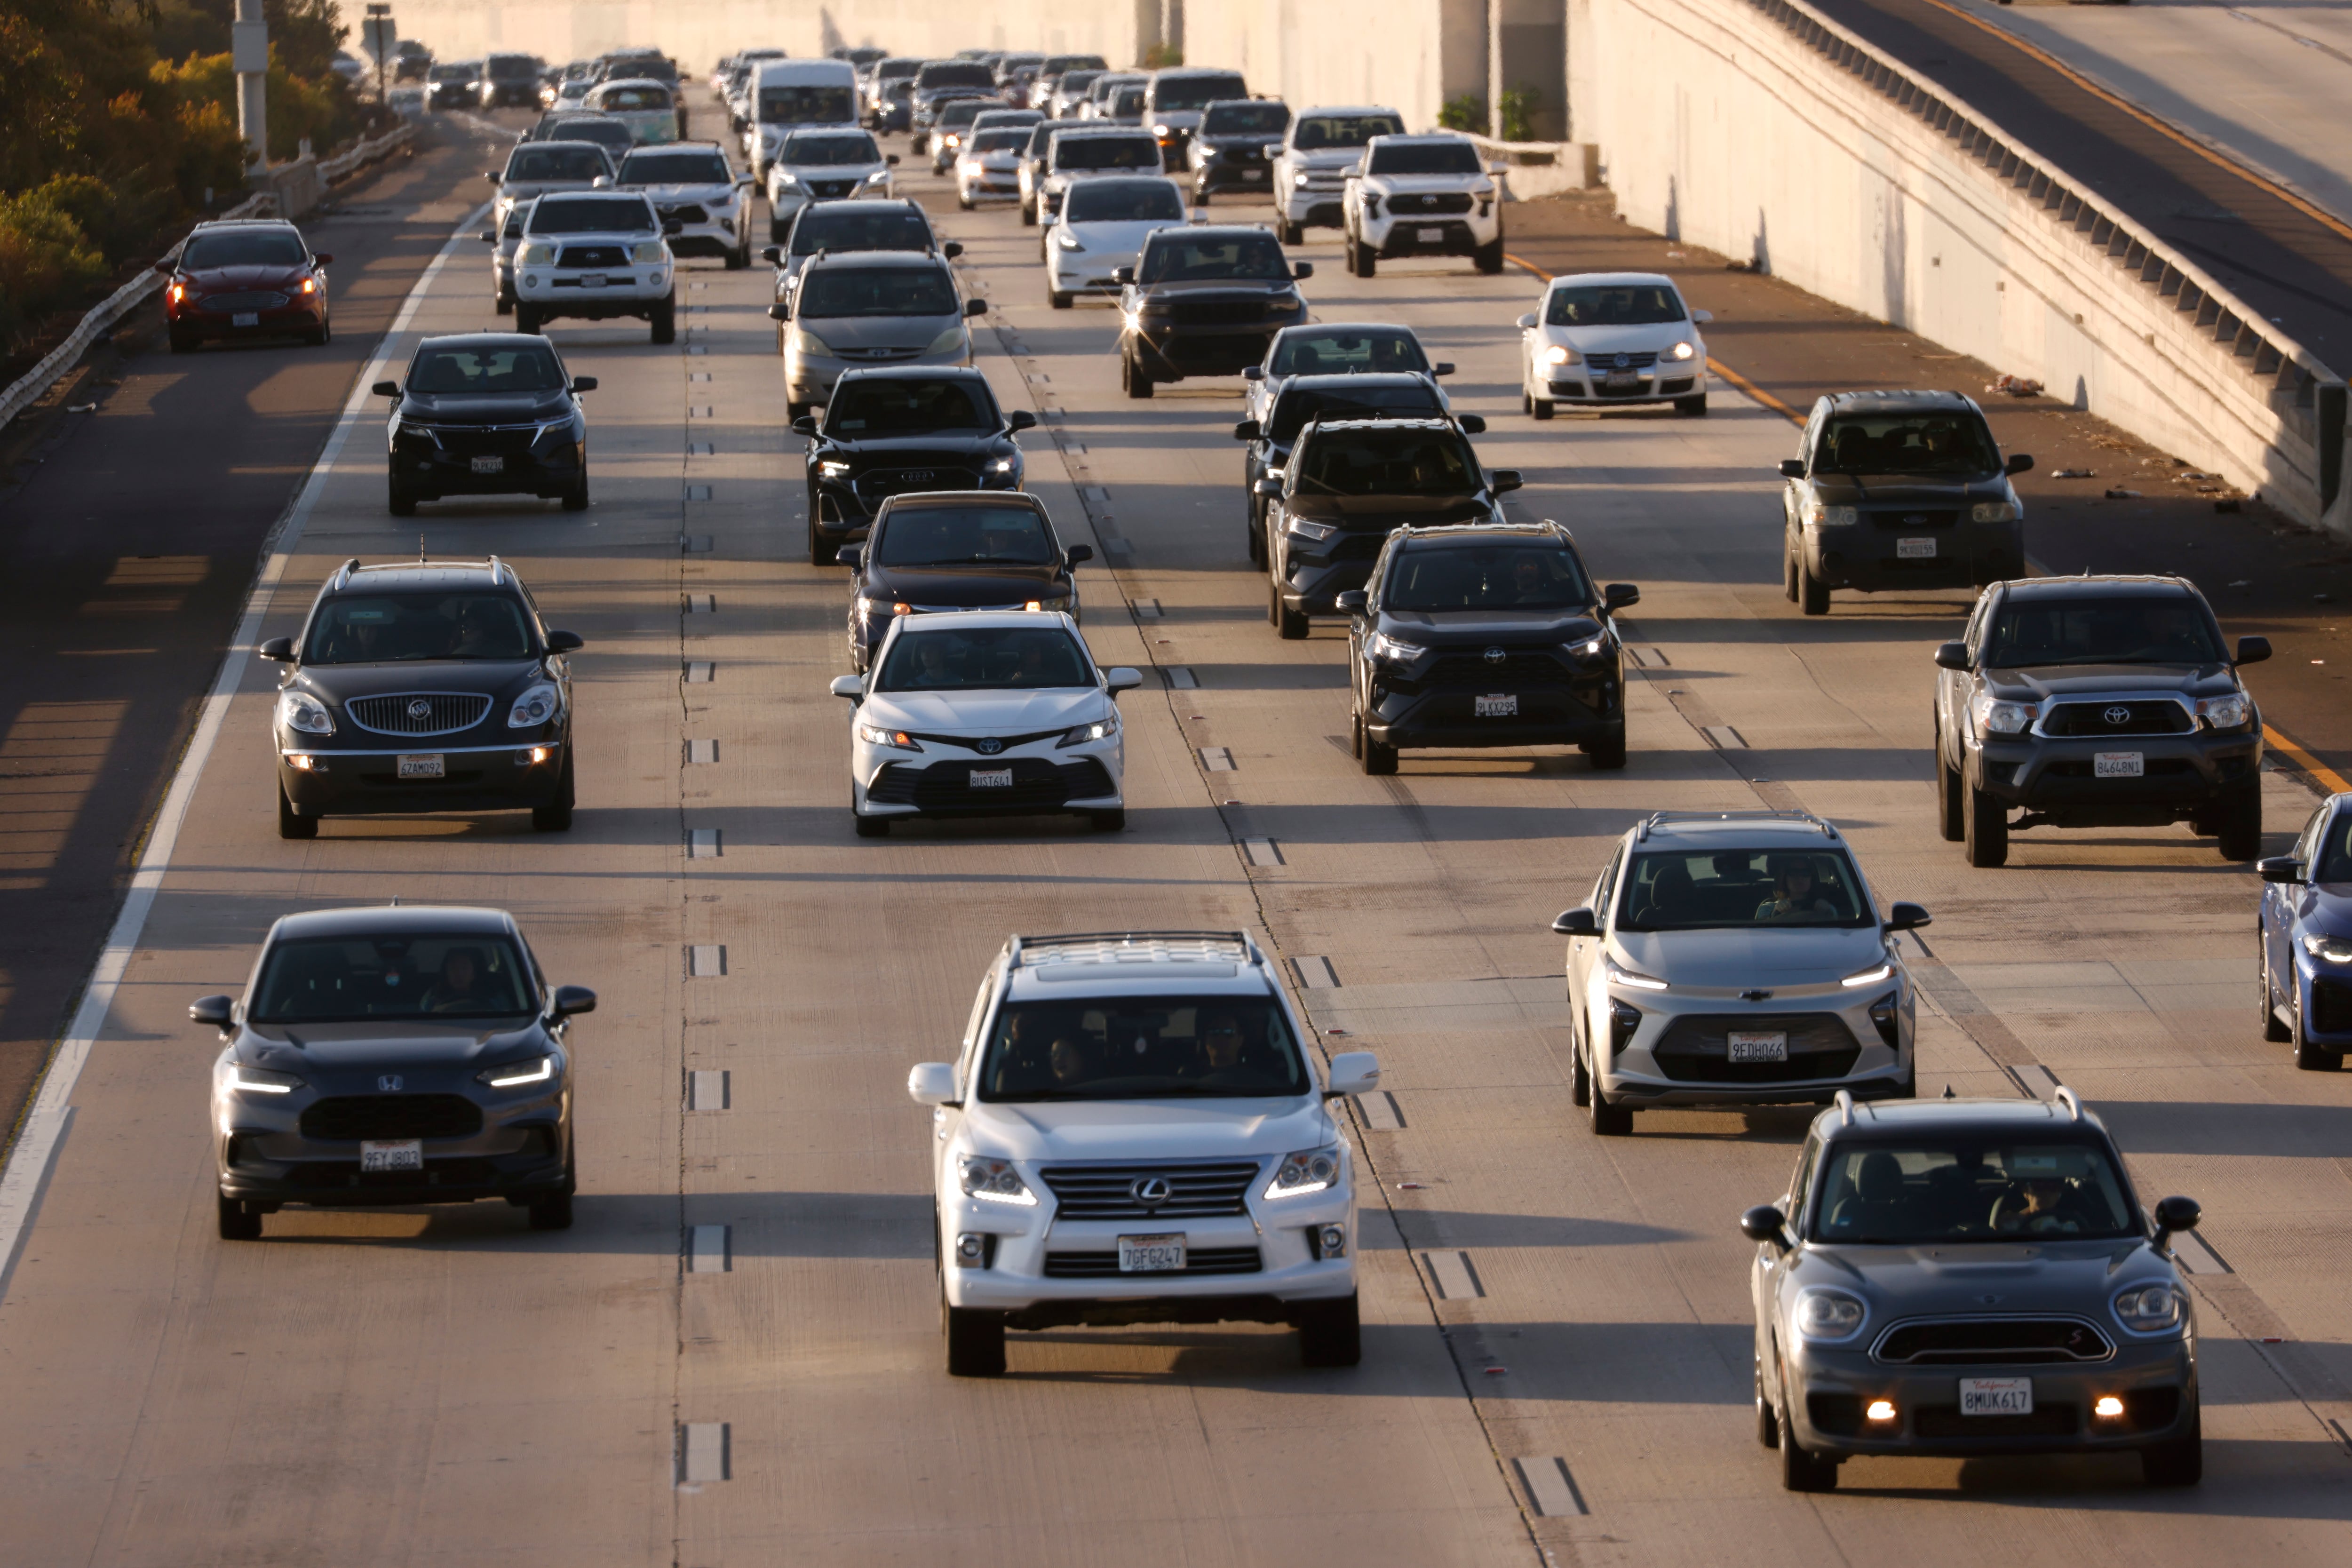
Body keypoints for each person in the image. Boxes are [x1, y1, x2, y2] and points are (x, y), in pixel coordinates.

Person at [1756, 857, 1837, 923]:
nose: (1800, 878)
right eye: (1794, 873)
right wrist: (1775, 912)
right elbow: (1762, 933)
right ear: (1784, 878)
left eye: (1805, 873)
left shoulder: (1825, 907)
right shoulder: (1768, 908)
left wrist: (1828, 911)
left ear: (1812, 878)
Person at [424, 947, 490, 1012]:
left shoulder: (489, 1002)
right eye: (453, 967)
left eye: (464, 967)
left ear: (474, 974)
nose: (459, 973)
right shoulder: (432, 1001)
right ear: (446, 972)